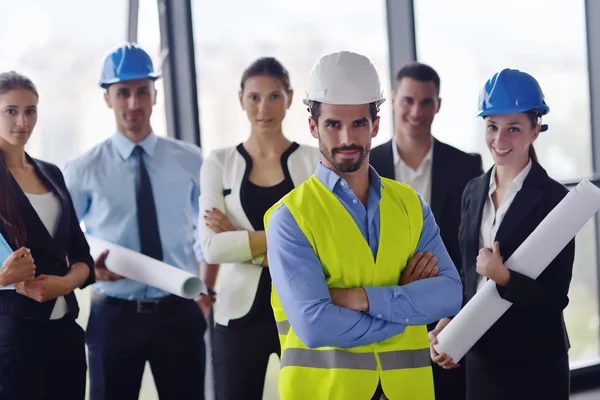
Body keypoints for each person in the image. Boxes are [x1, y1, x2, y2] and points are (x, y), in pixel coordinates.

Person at [264, 51, 462, 400]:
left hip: (407, 392)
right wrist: (405, 305)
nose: (346, 139)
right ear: (313, 126)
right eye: (333, 125)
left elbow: (448, 294)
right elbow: (314, 325)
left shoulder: (410, 205)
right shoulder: (289, 218)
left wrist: (358, 299)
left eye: (358, 123)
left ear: (375, 124)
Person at [63, 43, 206, 400]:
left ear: (155, 94)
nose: (133, 103)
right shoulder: (82, 170)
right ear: (107, 98)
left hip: (179, 311)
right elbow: (60, 243)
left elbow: (209, 232)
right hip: (114, 316)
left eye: (142, 91)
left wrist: (207, 294)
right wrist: (87, 268)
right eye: (123, 92)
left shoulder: (190, 161)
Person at [429, 68, 574, 400]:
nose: (499, 140)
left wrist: (504, 277)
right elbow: (468, 277)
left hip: (536, 362)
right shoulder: (472, 191)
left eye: (513, 129)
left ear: (535, 130)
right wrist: (449, 322)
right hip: (482, 358)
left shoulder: (554, 201)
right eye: (492, 127)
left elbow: (555, 299)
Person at [198, 57, 320, 400]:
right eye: (254, 97)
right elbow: (212, 247)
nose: (263, 107)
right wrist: (285, 243)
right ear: (241, 100)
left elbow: (322, 244)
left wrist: (239, 237)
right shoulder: (219, 163)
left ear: (290, 98)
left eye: (274, 96)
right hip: (237, 317)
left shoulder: (314, 162)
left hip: (302, 313)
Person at [370, 62, 482, 400]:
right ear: (392, 100)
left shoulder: (466, 166)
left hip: (446, 320)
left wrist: (454, 316)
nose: (416, 111)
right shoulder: (366, 165)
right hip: (384, 318)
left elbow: (469, 252)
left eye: (426, 102)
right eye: (408, 100)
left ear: (438, 105)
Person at [0, 71, 94, 399]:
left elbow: (82, 255)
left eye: (30, 110)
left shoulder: (51, 173)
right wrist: (2, 277)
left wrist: (66, 283)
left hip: (64, 331)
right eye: (10, 110)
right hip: (13, 337)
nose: (22, 121)